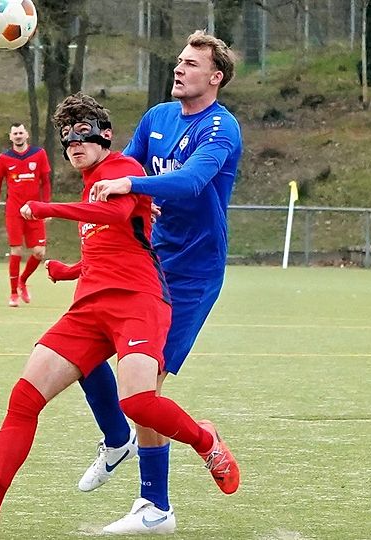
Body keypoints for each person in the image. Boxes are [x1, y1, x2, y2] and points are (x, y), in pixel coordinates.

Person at [0, 93, 239, 540]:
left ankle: (206, 442)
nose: (74, 143)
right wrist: (70, 270)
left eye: (83, 133)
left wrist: (47, 208)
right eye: (67, 137)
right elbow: (114, 243)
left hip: (139, 302)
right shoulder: (90, 182)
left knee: (138, 402)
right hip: (89, 308)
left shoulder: (124, 170)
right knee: (24, 398)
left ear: (105, 135)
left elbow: (116, 213)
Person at [75, 30, 244, 534]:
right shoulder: (157, 118)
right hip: (148, 259)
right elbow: (121, 165)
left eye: (191, 63)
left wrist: (131, 184)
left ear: (215, 77)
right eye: (179, 60)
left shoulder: (221, 127)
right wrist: (106, 167)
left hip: (193, 272)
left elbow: (190, 182)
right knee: (83, 349)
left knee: (145, 385)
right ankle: (116, 440)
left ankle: (156, 507)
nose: (179, 68)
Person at [0, 123, 52, 307]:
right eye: (15, 133)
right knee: (16, 250)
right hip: (14, 211)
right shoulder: (4, 158)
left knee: (39, 252)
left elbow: (46, 182)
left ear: (26, 134)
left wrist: (46, 207)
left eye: (21, 132)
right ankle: (13, 293)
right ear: (10, 136)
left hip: (34, 210)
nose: (18, 136)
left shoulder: (39, 154)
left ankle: (23, 280)